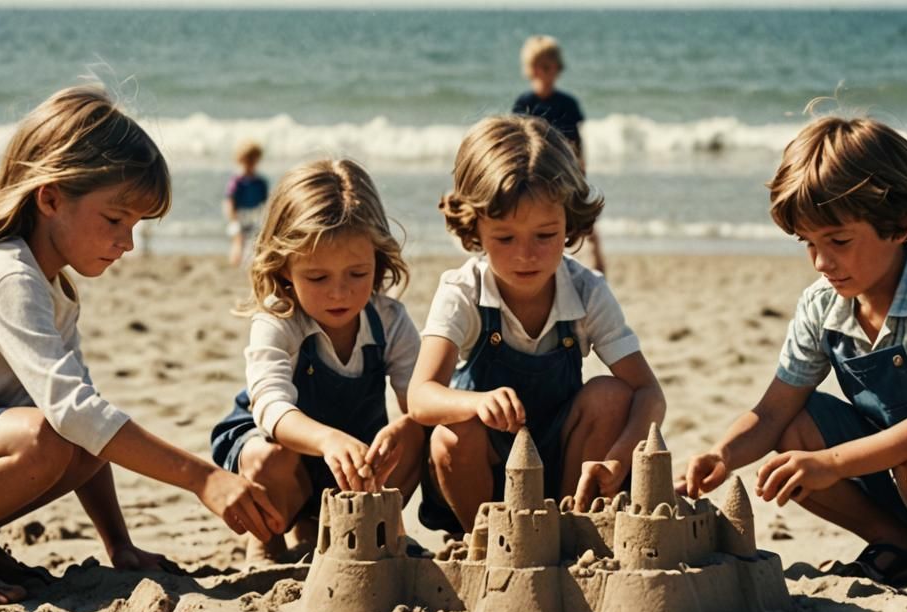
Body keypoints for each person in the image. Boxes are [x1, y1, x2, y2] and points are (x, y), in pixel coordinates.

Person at [0, 86, 285, 609]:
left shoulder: (54, 288)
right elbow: (73, 416)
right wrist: (202, 477)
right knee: (51, 434)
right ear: (50, 198)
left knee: (78, 435)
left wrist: (119, 547)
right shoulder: (8, 276)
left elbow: (90, 427)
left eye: (137, 226)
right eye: (115, 219)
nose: (128, 242)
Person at [676, 115, 907, 612]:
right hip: (897, 456)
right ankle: (901, 548)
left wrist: (830, 463)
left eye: (838, 241)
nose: (821, 262)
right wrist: (721, 456)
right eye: (809, 243)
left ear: (899, 225)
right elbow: (771, 412)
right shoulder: (821, 304)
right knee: (792, 436)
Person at [409, 115, 665, 534]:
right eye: (505, 239)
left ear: (569, 223)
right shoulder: (463, 290)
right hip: (482, 475)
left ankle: (567, 529)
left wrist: (618, 459)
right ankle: (490, 541)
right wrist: (475, 403)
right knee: (452, 433)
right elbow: (420, 397)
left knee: (611, 394)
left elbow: (649, 393)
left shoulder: (586, 291)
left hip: (560, 465)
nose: (526, 255)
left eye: (545, 235)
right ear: (474, 226)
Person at [210, 159, 425, 564]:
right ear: (285, 269)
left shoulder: (389, 321)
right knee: (268, 456)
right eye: (318, 278)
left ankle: (380, 526)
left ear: (378, 259)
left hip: (354, 461)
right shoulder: (278, 321)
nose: (339, 293)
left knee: (418, 433)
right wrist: (326, 440)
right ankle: (267, 540)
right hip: (284, 457)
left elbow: (420, 398)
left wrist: (405, 426)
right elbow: (270, 408)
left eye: (357, 273)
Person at [512, 35, 606, 277]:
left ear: (557, 69)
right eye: (539, 66)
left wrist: (580, 170)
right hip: (536, 175)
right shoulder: (524, 103)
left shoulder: (567, 103)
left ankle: (599, 269)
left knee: (584, 222)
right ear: (530, 69)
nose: (544, 71)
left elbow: (576, 141)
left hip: (565, 171)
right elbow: (517, 141)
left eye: (549, 66)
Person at [225, 139, 270, 268]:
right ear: (241, 160)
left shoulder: (260, 182)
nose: (250, 163)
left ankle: (250, 262)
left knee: (254, 240)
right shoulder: (237, 181)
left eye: (253, 160)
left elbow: (265, 201)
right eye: (247, 160)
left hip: (256, 215)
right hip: (239, 215)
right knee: (238, 239)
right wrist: (232, 218)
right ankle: (235, 263)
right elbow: (230, 200)